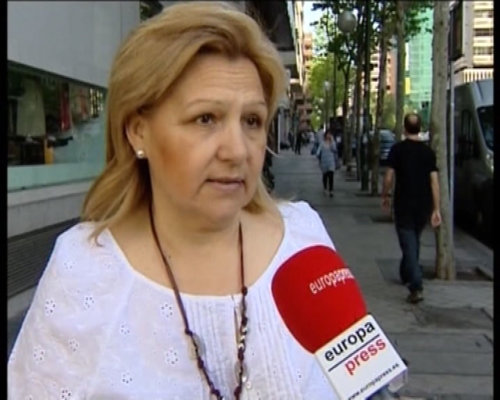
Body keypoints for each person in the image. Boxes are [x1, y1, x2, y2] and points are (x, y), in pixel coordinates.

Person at [7, 2, 350, 399]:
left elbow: (361, 380)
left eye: (252, 121)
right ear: (138, 131)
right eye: (206, 119)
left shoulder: (304, 242)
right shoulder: (84, 268)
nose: (237, 151)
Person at [381, 113, 442, 304]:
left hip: (404, 204)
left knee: (409, 243)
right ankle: (406, 272)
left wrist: (385, 195)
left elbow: (389, 176)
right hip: (423, 206)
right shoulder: (428, 153)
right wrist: (436, 208)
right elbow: (434, 182)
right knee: (413, 241)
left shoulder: (398, 150)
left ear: (404, 128)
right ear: (419, 127)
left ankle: (416, 285)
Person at [316, 129, 339, 197]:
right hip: (324, 161)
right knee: (325, 176)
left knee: (331, 175)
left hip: (331, 161)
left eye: (330, 134)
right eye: (327, 134)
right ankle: (325, 188)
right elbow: (318, 151)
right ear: (325, 135)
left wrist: (331, 142)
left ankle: (331, 190)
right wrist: (318, 156)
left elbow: (335, 150)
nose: (328, 136)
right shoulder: (322, 143)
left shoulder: (333, 143)